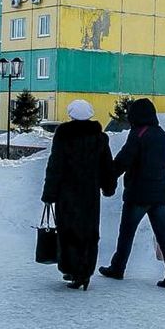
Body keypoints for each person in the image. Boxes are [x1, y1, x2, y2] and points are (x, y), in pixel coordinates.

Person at [99, 98, 165, 289]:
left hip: (138, 194)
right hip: (160, 196)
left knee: (127, 233)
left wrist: (107, 178)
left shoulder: (138, 134)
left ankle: (117, 268)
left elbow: (123, 160)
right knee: (163, 234)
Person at [40, 99, 115, 290]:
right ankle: (85, 271)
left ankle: (73, 270)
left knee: (69, 232)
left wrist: (49, 193)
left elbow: (55, 166)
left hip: (67, 194)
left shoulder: (64, 136)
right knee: (89, 232)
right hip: (90, 195)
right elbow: (107, 166)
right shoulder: (100, 138)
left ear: (71, 115)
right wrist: (108, 187)